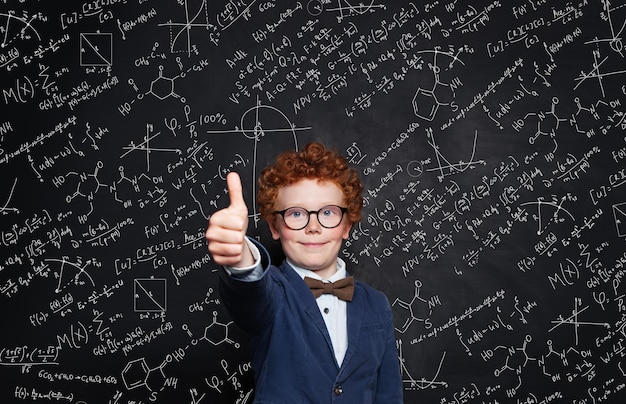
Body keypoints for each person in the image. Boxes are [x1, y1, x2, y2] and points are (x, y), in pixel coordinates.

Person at [205, 142, 403, 403]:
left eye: (329, 212)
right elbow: (250, 291)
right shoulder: (273, 294)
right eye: (296, 214)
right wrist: (239, 254)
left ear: (347, 226)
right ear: (275, 227)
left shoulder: (377, 304)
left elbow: (389, 396)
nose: (313, 226)